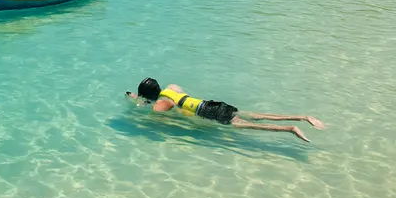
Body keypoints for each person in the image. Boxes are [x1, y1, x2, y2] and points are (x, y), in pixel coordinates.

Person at [127, 78, 325, 142]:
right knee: (255, 115)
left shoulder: (160, 104)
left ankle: (290, 129)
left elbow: (155, 115)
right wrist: (141, 98)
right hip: (214, 104)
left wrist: (138, 103)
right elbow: (170, 99)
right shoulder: (171, 88)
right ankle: (303, 117)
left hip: (210, 114)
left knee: (248, 126)